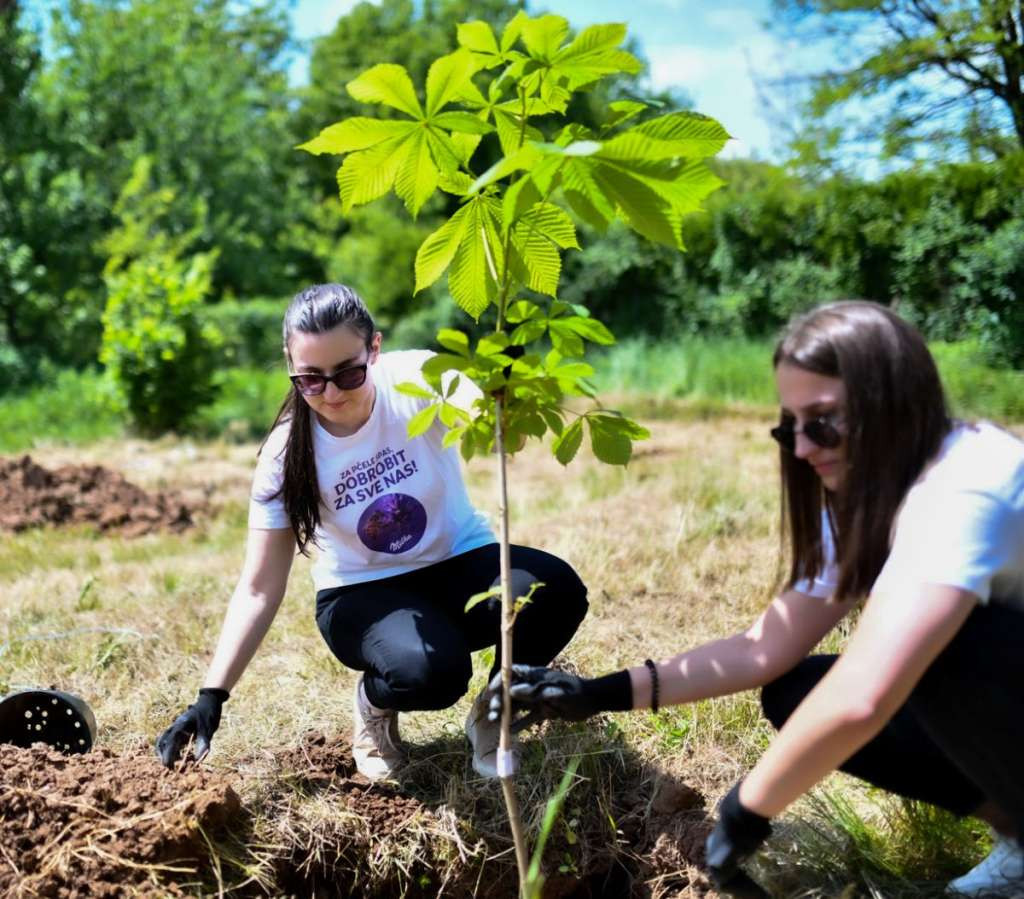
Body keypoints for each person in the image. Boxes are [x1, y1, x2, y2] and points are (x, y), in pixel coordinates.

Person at [490, 301, 1024, 897]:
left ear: (892, 405)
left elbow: (865, 695)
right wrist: (597, 694)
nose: (800, 448)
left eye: (822, 422)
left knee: (940, 650)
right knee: (797, 693)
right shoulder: (864, 496)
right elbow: (764, 650)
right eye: (789, 425)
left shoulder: (966, 490)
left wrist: (747, 809)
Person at [156, 283, 588, 781]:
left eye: (349, 373)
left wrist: (502, 402)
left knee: (555, 591)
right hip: (362, 594)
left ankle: (496, 714)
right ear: (290, 364)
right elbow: (258, 586)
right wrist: (211, 697)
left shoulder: (422, 381)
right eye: (311, 380)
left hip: (458, 558)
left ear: (375, 350)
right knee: (431, 675)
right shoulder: (283, 457)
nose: (332, 393)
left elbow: (493, 425)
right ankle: (372, 704)